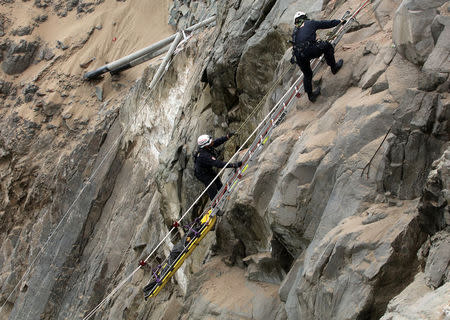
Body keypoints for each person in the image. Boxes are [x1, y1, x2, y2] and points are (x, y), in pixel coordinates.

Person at [291, 11, 345, 102]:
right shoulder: (310, 23)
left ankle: (310, 96)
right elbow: (325, 24)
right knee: (327, 46)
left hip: (298, 55)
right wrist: (339, 21)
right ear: (304, 17)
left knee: (307, 74)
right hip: (309, 50)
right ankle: (334, 67)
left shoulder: (295, 32)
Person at [194, 133, 242, 202]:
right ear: (206, 146)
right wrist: (233, 165)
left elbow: (217, 142)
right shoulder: (204, 156)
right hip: (202, 174)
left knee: (217, 180)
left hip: (207, 169)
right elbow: (218, 164)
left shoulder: (207, 147)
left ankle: (223, 192)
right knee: (211, 186)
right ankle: (214, 204)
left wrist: (227, 136)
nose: (212, 142)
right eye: (210, 142)